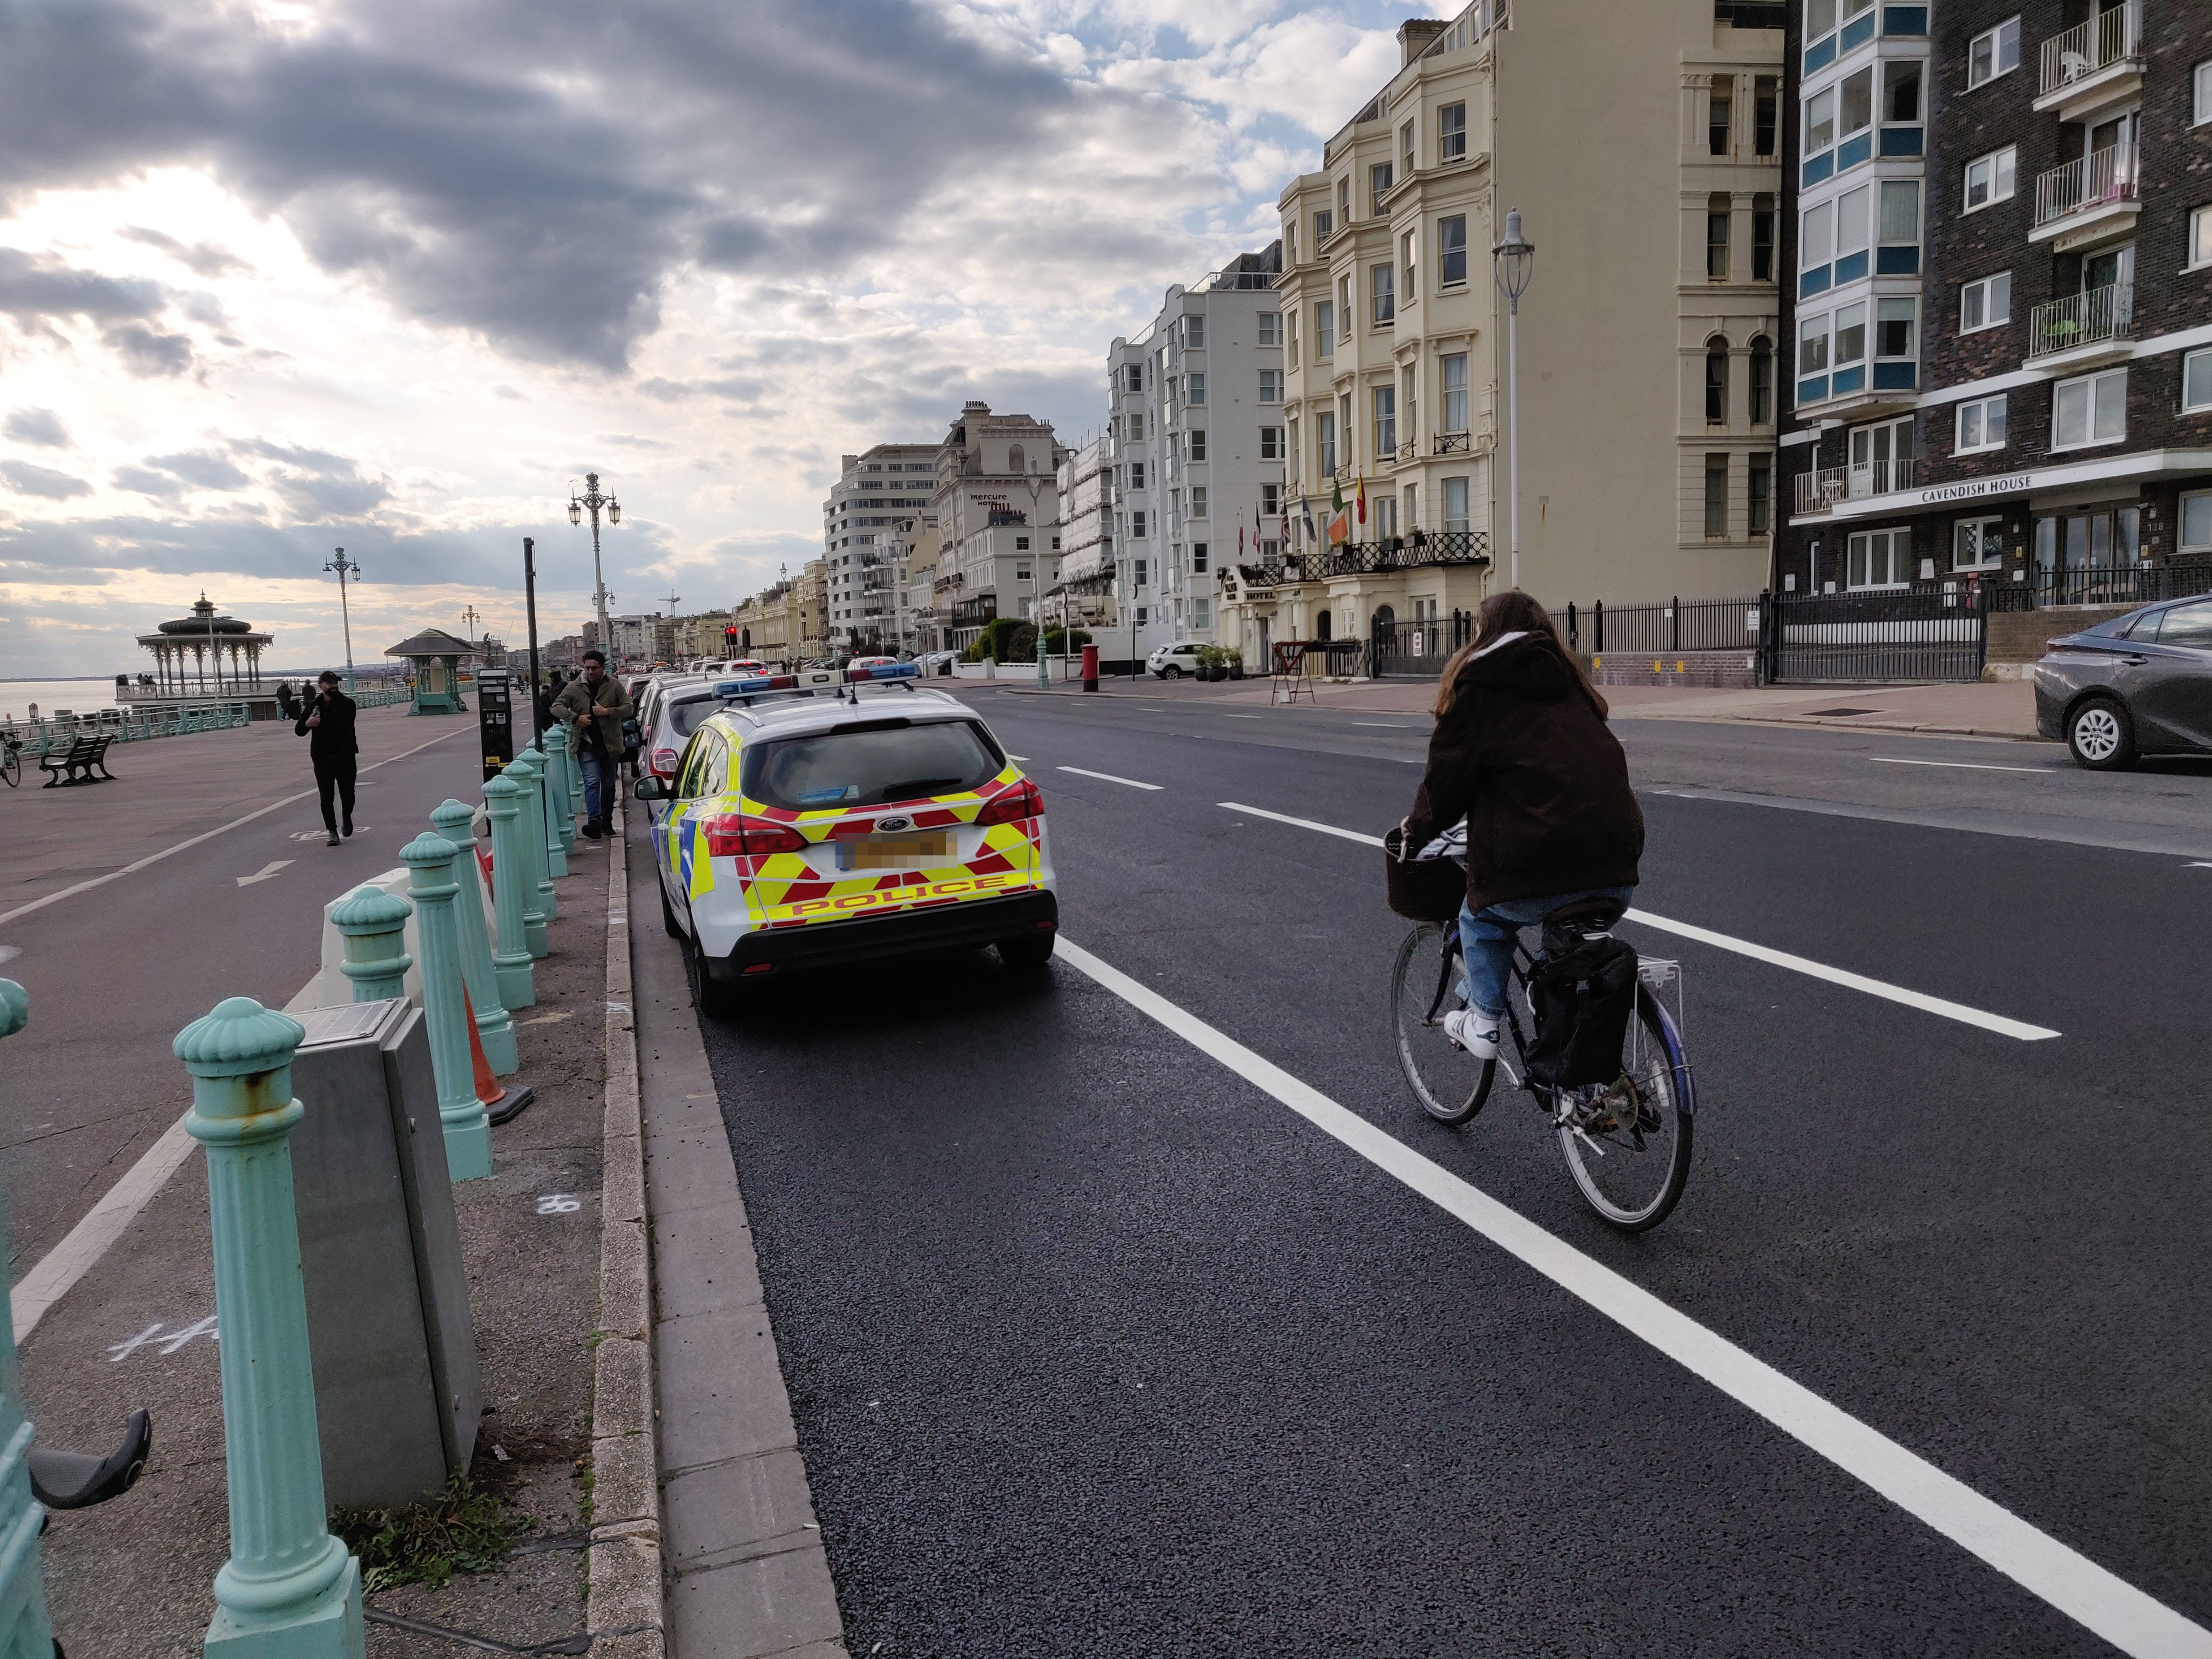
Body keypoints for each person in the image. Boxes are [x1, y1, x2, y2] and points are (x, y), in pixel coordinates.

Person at [1396, 590, 1644, 1060]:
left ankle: (1485, 1021)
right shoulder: (1575, 685)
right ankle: (1575, 1067)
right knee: (1566, 948)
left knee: (1481, 916)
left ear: (1483, 633)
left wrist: (1417, 830)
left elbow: (1445, 784)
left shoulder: (1479, 687)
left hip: (1537, 865)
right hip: (1617, 867)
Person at [553, 649, 631, 840]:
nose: (590, 672)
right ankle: (594, 822)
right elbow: (556, 706)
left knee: (609, 785)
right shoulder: (575, 687)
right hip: (586, 745)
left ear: (602, 668)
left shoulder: (613, 686)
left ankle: (606, 822)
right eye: (587, 668)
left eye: (594, 668)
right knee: (592, 783)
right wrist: (575, 718)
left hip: (610, 745)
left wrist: (608, 712)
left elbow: (629, 708)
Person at [294, 670, 359, 847]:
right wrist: (309, 723)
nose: (333, 686)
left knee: (348, 794)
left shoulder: (347, 704)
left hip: (345, 756)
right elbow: (299, 730)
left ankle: (347, 816)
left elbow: (345, 724)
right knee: (326, 795)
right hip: (322, 757)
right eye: (329, 683)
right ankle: (332, 831)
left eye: (335, 683)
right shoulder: (314, 706)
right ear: (320, 685)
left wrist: (329, 708)